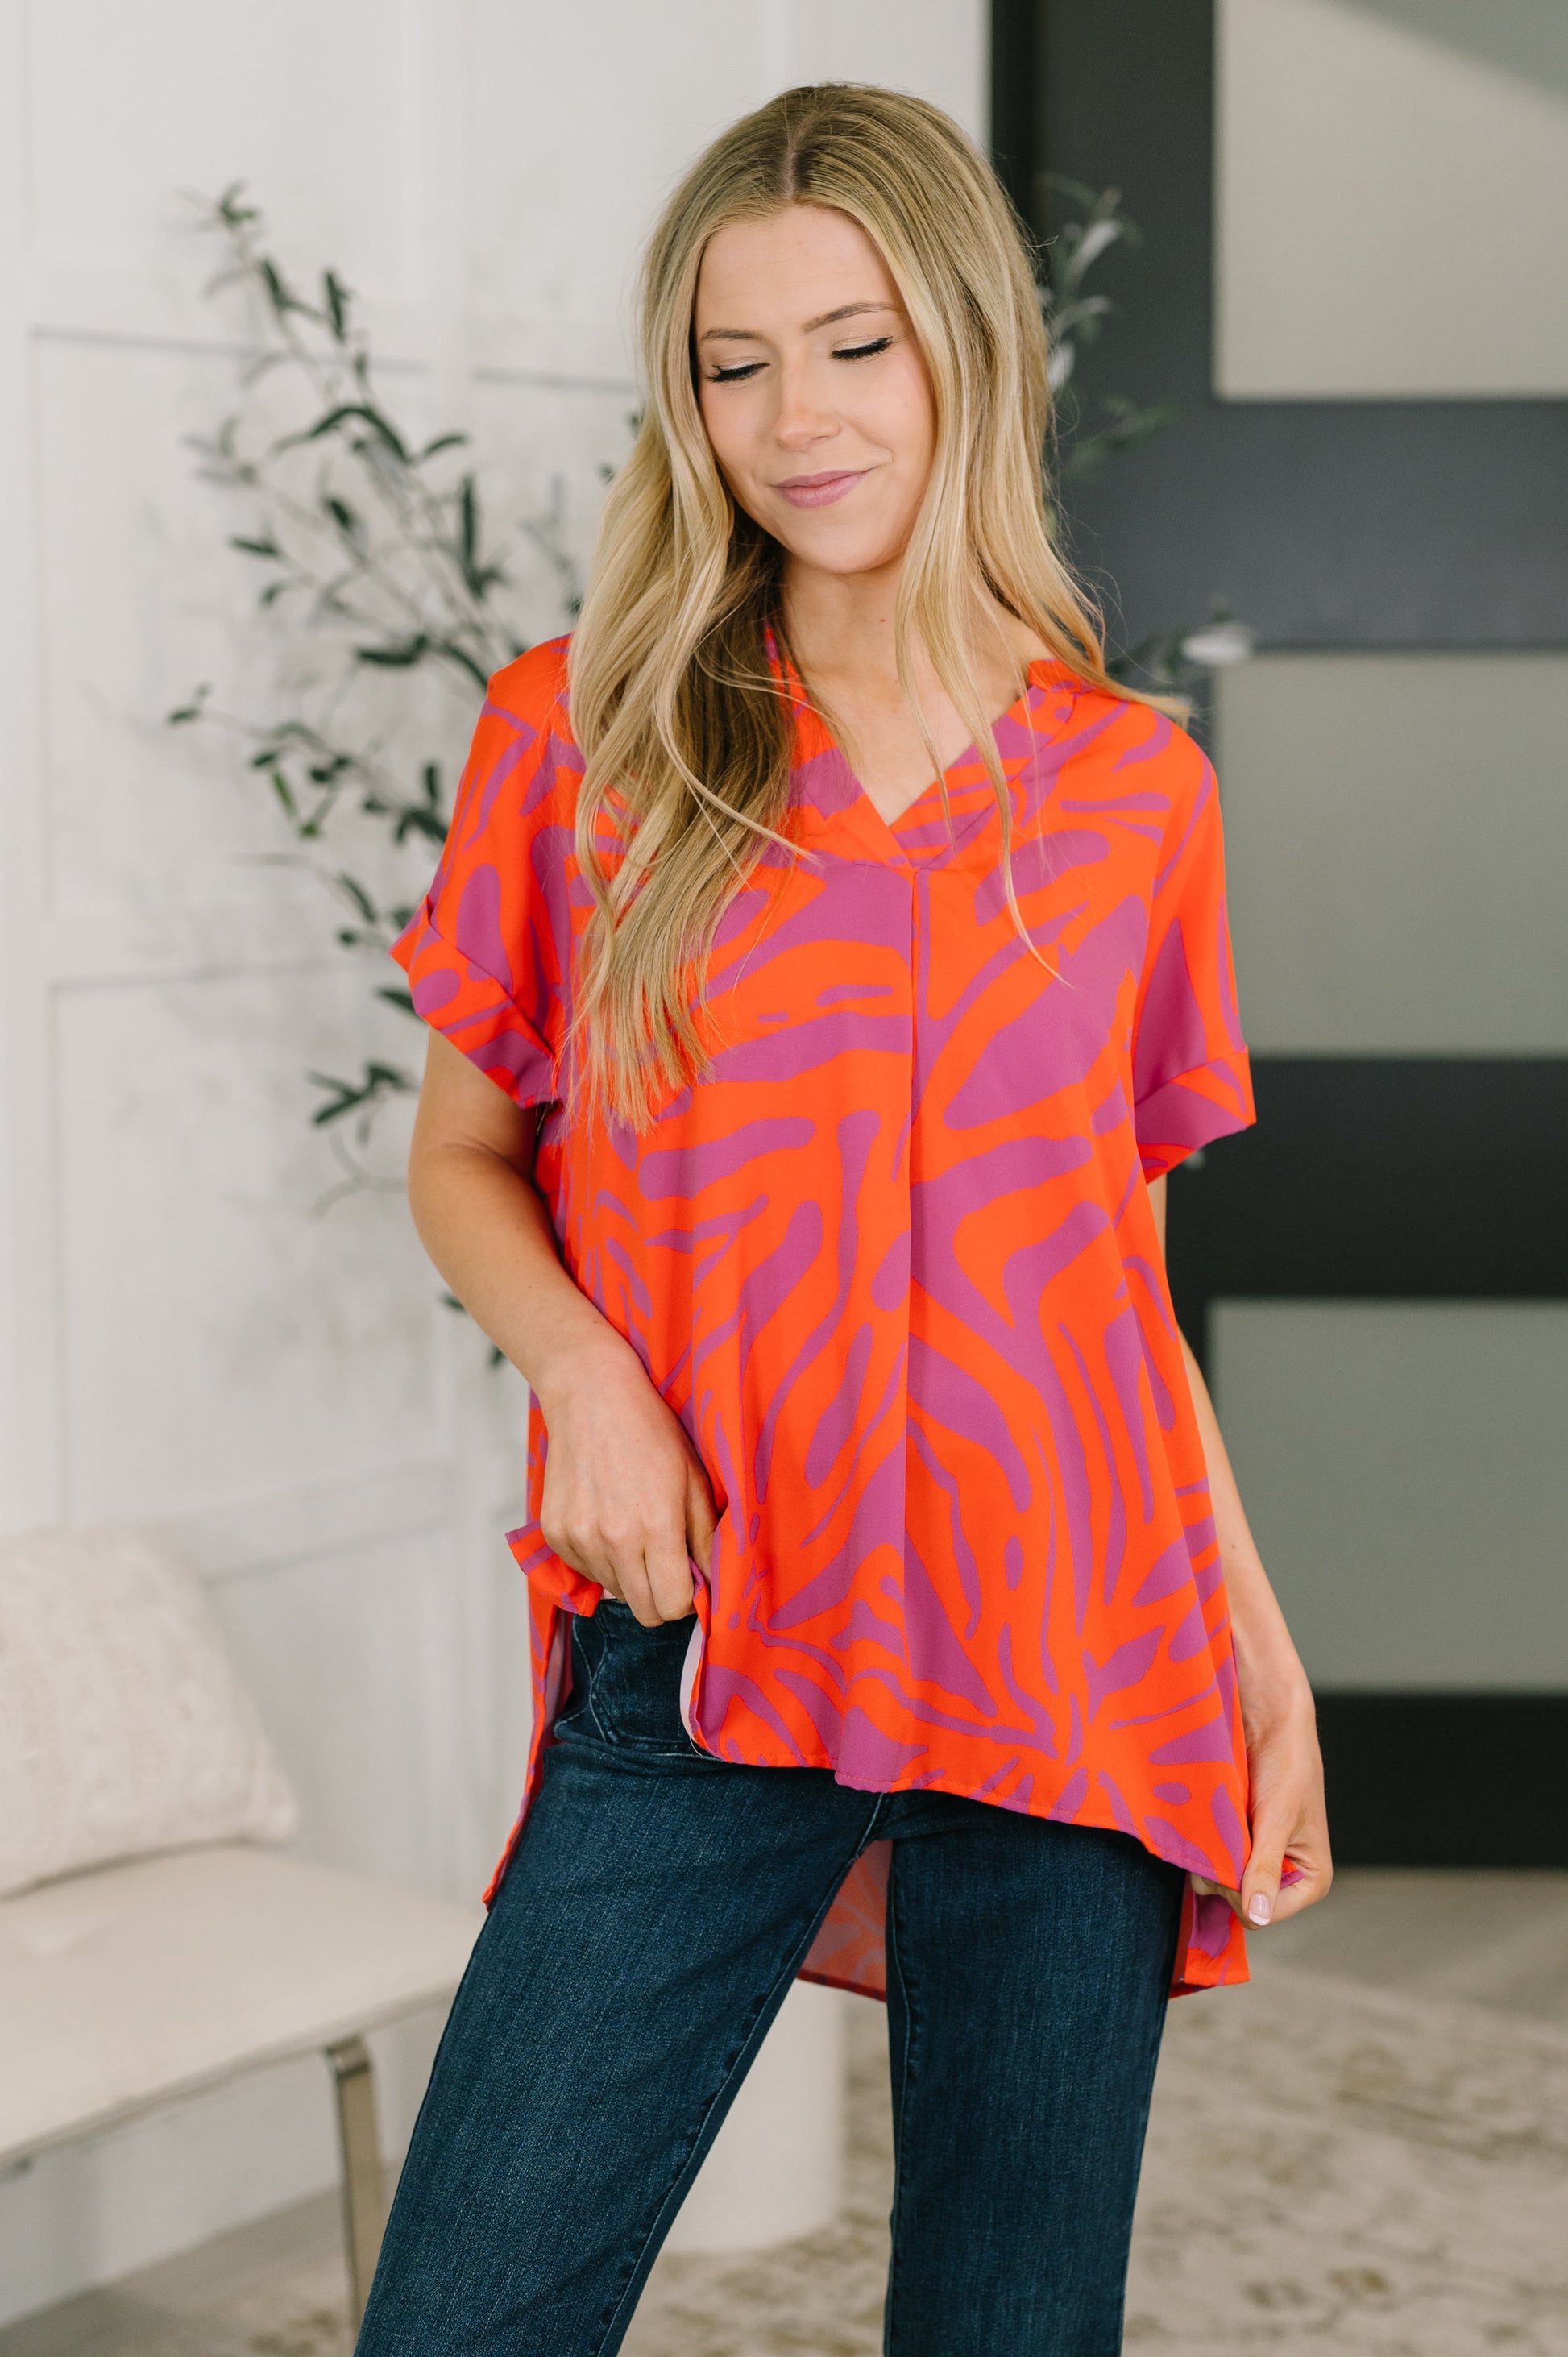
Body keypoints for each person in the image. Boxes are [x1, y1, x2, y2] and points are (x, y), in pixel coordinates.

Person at [355, 81, 1330, 2357]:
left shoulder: (1132, 792)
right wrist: (589, 1381)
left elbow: (1116, 1274)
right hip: (707, 1637)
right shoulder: (583, 745)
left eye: (856, 343)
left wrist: (1254, 1649)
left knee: (1011, 2323)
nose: (795, 417)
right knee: (470, 2316)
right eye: (735, 361)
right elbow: (461, 1155)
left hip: (1070, 1641)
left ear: (969, 349)